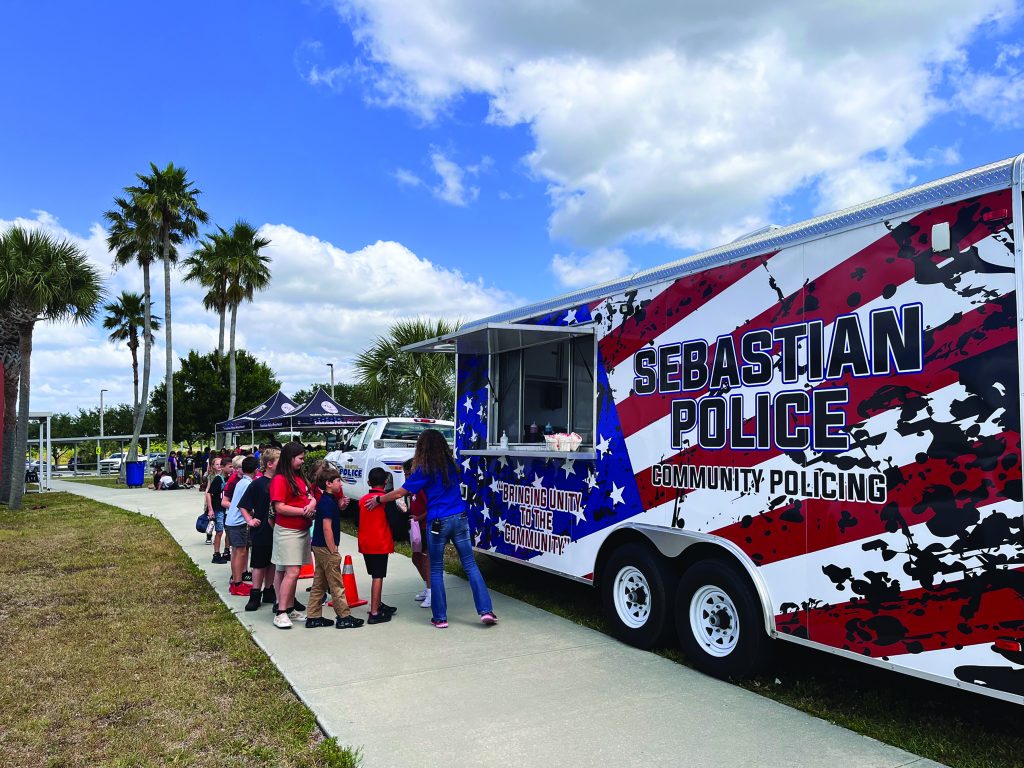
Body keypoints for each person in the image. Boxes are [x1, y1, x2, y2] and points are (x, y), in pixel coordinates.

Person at [367, 429, 497, 629]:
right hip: (460, 517)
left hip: (438, 521)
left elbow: (402, 492)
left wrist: (378, 499)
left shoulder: (424, 469)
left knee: (436, 568)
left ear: (422, 448)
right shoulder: (451, 465)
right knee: (470, 565)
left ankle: (440, 617)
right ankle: (486, 611)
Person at [305, 465, 364, 630]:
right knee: (336, 583)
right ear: (328, 483)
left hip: (318, 546)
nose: (341, 484)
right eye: (338, 481)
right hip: (326, 548)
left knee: (319, 583)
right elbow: (326, 528)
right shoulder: (327, 503)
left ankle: (313, 616)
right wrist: (333, 550)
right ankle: (343, 616)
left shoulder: (328, 501)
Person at [268, 441, 315, 629]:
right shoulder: (280, 480)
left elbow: (308, 497)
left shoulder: (299, 478)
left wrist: (310, 505)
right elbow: (279, 507)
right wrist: (304, 511)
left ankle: (289, 607)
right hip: (288, 531)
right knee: (292, 572)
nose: (302, 462)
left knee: (288, 572)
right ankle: (280, 612)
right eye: (300, 458)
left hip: (301, 530)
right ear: (290, 458)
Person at [237, 447, 280, 611]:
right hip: (261, 530)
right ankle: (255, 593)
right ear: (269, 464)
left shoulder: (280, 482)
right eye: (279, 461)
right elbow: (243, 505)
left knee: (272, 562)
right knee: (259, 564)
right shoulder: (257, 484)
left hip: (277, 530)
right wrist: (249, 519)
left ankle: (269, 590)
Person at [358, 467, 397, 624]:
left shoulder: (362, 500)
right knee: (378, 576)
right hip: (380, 543)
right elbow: (394, 522)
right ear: (386, 482)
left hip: (366, 543)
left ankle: (378, 604)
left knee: (375, 574)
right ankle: (374, 612)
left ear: (369, 482)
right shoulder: (386, 500)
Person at [399, 458, 431, 608]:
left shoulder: (423, 488)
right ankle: (427, 587)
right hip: (416, 527)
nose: (406, 477)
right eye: (405, 474)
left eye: (408, 474)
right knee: (416, 558)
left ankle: (432, 592)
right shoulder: (412, 490)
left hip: (425, 527)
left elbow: (430, 508)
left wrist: (418, 518)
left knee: (425, 559)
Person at [224, 455, 258, 596]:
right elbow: (244, 505)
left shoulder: (241, 482)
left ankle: (236, 581)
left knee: (237, 552)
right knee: (240, 552)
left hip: (232, 521)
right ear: (256, 470)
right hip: (238, 523)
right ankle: (237, 583)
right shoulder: (248, 484)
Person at [206, 457, 229, 563]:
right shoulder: (218, 479)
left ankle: (227, 551)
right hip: (218, 508)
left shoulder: (231, 479)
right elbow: (209, 493)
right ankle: (216, 554)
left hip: (227, 509)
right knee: (219, 531)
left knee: (228, 531)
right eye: (230, 467)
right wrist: (210, 509)